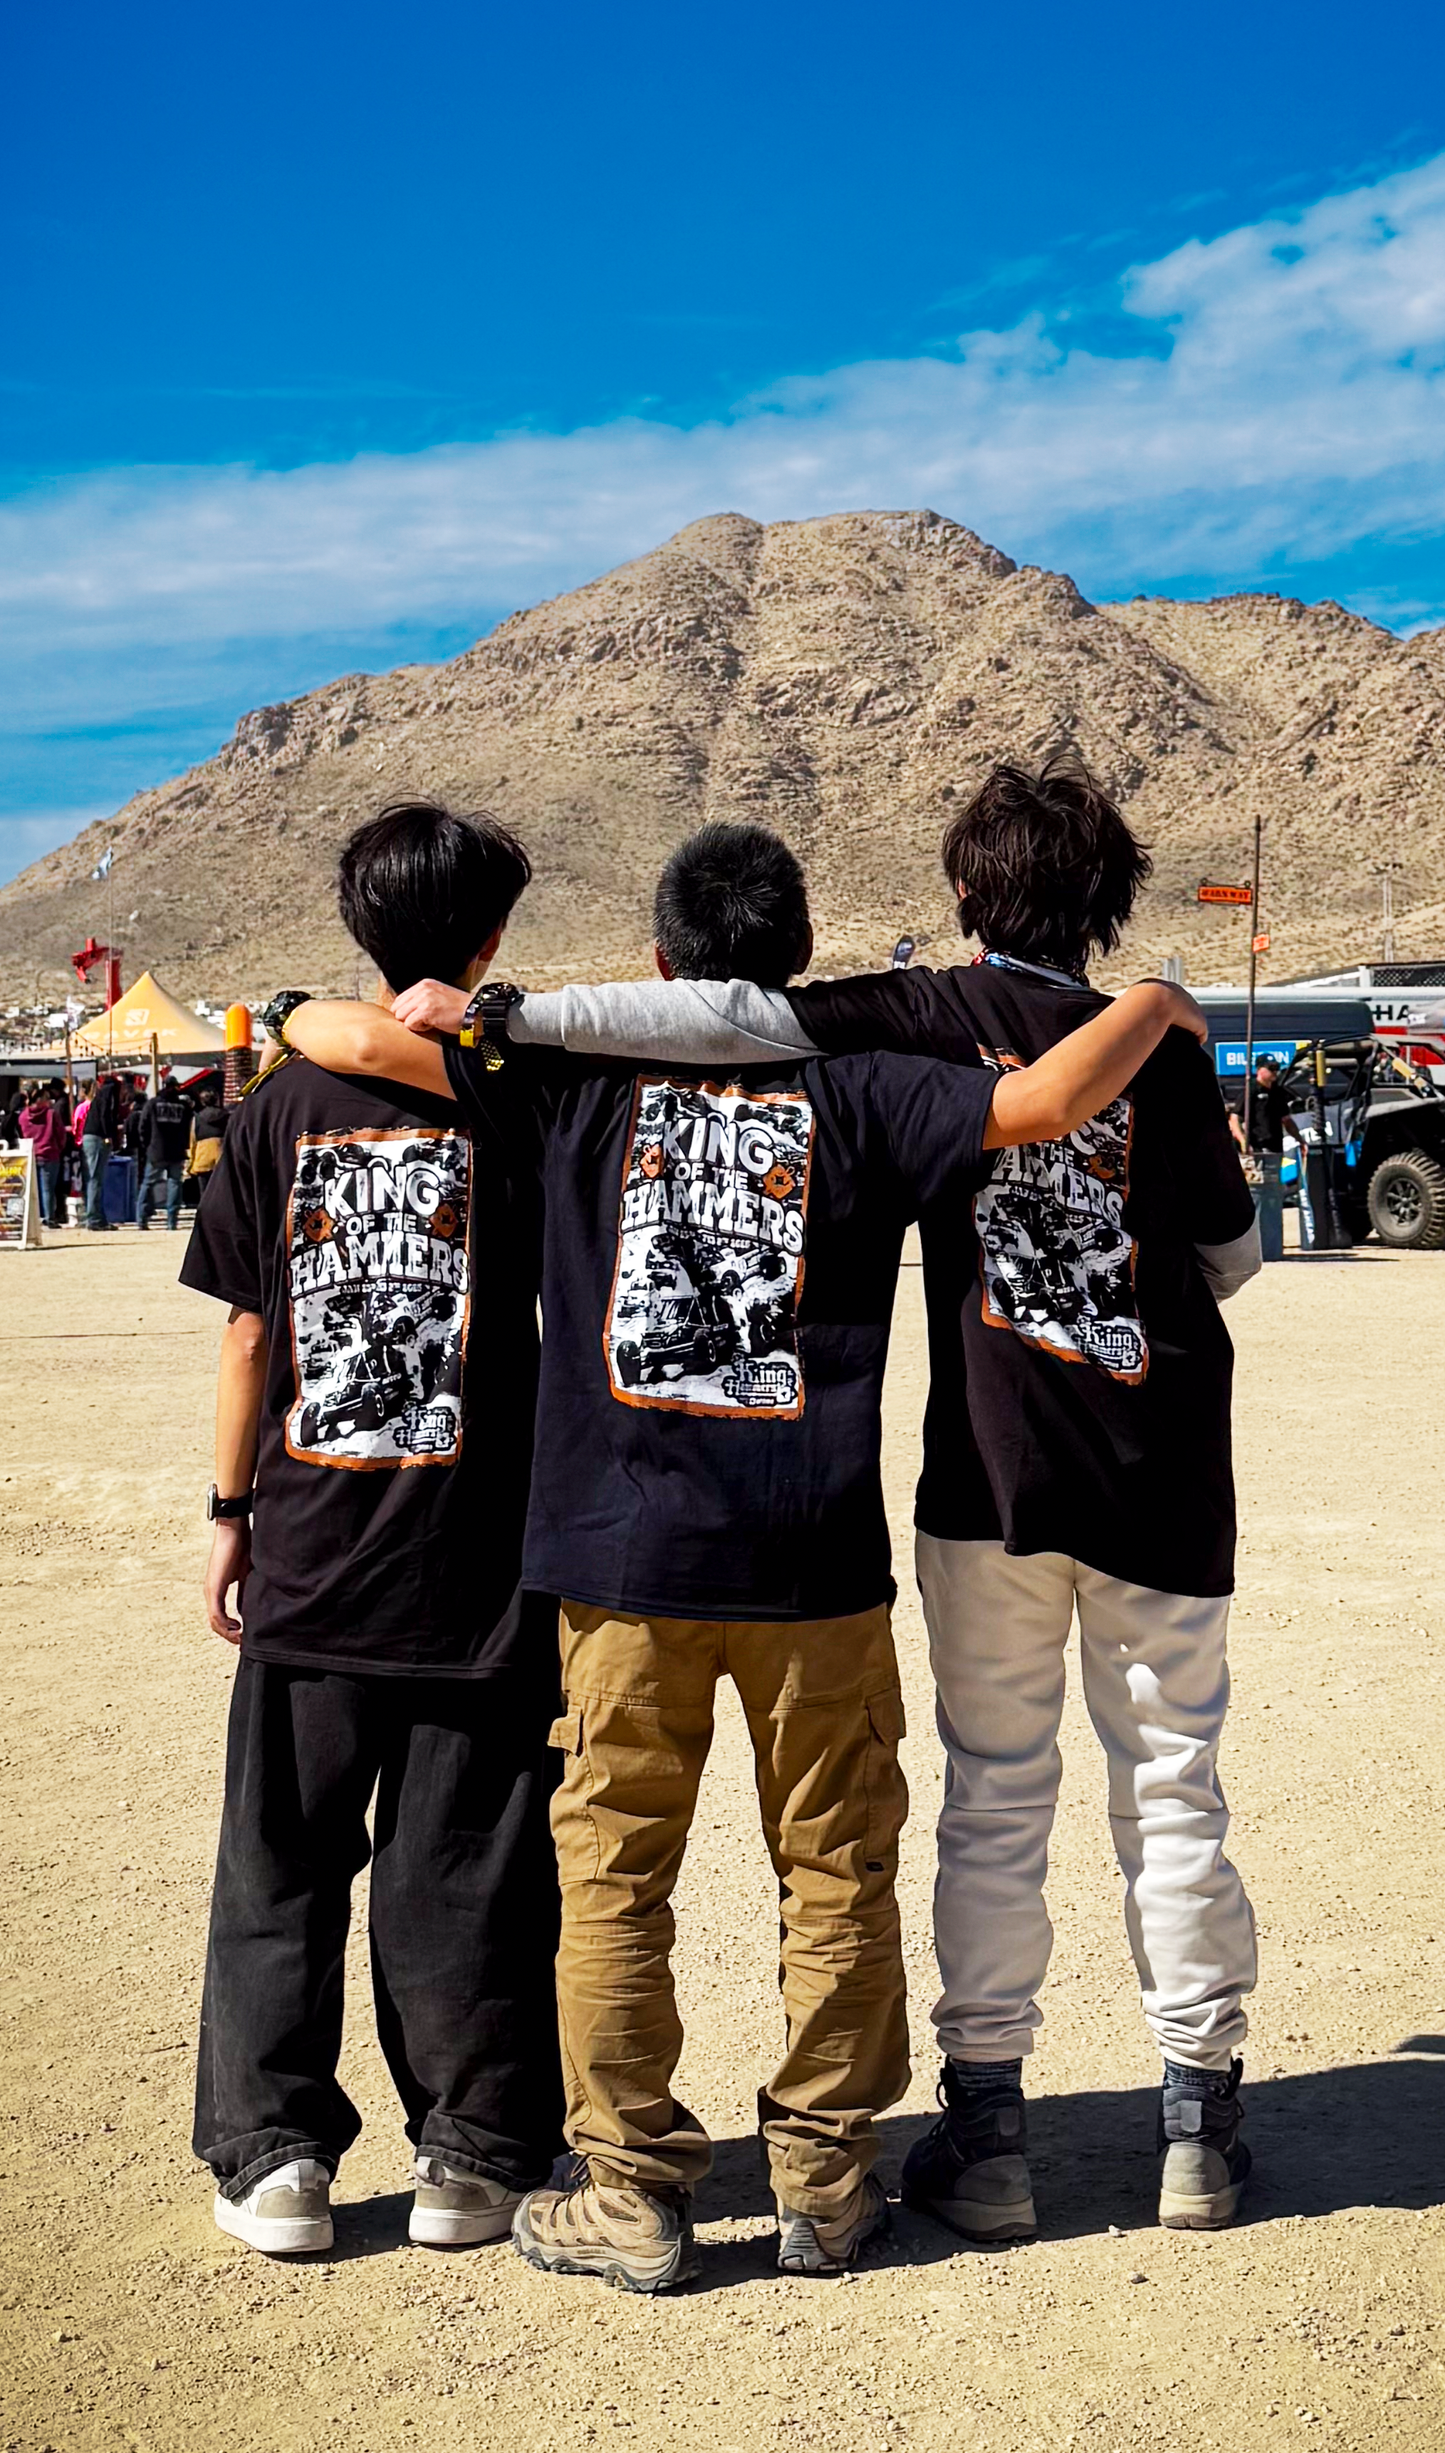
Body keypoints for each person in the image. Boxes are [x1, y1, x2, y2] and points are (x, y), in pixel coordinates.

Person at [282, 815, 1208, 2290]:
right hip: (809, 1557)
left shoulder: (569, 1080)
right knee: (836, 1869)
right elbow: (1041, 1103)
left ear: (659, 963)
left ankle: (630, 2189)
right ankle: (826, 2184)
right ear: (800, 957)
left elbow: (371, 1044)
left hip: (619, 1561)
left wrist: (298, 1010)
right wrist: (1154, 1001)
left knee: (614, 1876)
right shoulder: (866, 1083)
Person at [179, 801, 564, 2260]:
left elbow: (245, 1337)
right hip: (478, 1547)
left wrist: (230, 1512)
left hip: (314, 1537)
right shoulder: (521, 1099)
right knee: (465, 1865)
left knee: (280, 1860)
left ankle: (273, 2154)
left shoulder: (276, 1105)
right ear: (490, 941)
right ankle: (472, 2152)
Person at [135, 1067, 194, 1230]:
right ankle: (171, 1221)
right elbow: (188, 1127)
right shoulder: (182, 1106)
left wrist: (147, 1145)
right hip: (177, 1151)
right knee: (175, 1184)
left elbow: (143, 1126)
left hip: (156, 1150)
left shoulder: (153, 1103)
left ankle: (141, 1219)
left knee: (148, 1184)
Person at [18, 1084, 68, 1226]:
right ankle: (49, 1217)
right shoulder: (51, 1114)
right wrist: (59, 1148)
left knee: (32, 1190)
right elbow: (61, 1134)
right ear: (39, 1099)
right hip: (49, 1154)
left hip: (31, 1154)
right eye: (46, 1098)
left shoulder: (23, 1116)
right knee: (48, 1189)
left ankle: (35, 1218)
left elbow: (22, 1134)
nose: (48, 1100)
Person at [81, 1067, 123, 1230]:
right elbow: (106, 1115)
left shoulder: (100, 1095)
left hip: (90, 1136)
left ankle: (99, 1217)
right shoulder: (109, 1093)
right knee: (95, 1179)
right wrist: (109, 1135)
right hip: (97, 1137)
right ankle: (93, 1219)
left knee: (94, 1179)